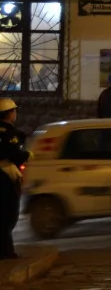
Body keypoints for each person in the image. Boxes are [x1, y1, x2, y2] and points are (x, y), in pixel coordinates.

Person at [0, 98, 30, 260]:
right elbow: (17, 154)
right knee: (9, 215)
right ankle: (5, 251)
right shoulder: (11, 134)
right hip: (6, 175)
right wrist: (27, 155)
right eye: (14, 111)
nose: (15, 114)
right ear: (9, 113)